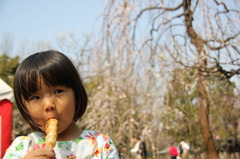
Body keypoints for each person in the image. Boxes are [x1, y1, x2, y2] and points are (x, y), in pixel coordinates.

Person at [3, 50, 119, 159]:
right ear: (25, 108)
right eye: (35, 98)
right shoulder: (22, 148)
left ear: (76, 95)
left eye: (58, 91)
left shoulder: (101, 145)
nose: (49, 105)